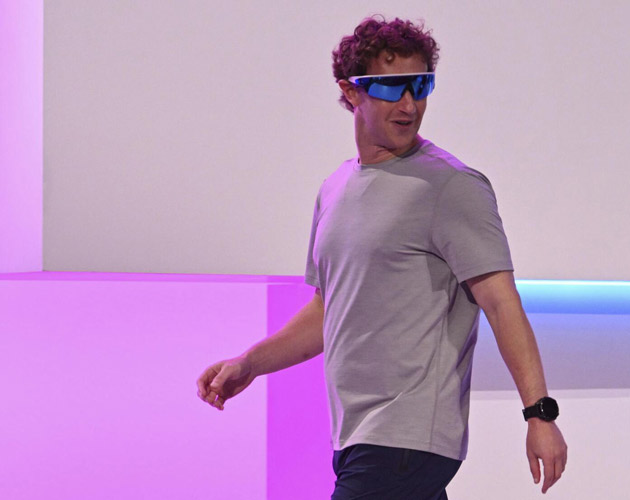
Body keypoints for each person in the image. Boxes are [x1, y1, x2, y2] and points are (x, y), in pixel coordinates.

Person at [197, 15, 567, 499]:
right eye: (393, 88)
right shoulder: (335, 189)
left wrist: (539, 415)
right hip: (355, 436)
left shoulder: (451, 186)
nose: (410, 104)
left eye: (421, 85)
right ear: (351, 92)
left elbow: (500, 302)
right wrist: (250, 364)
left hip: (404, 438)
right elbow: (328, 311)